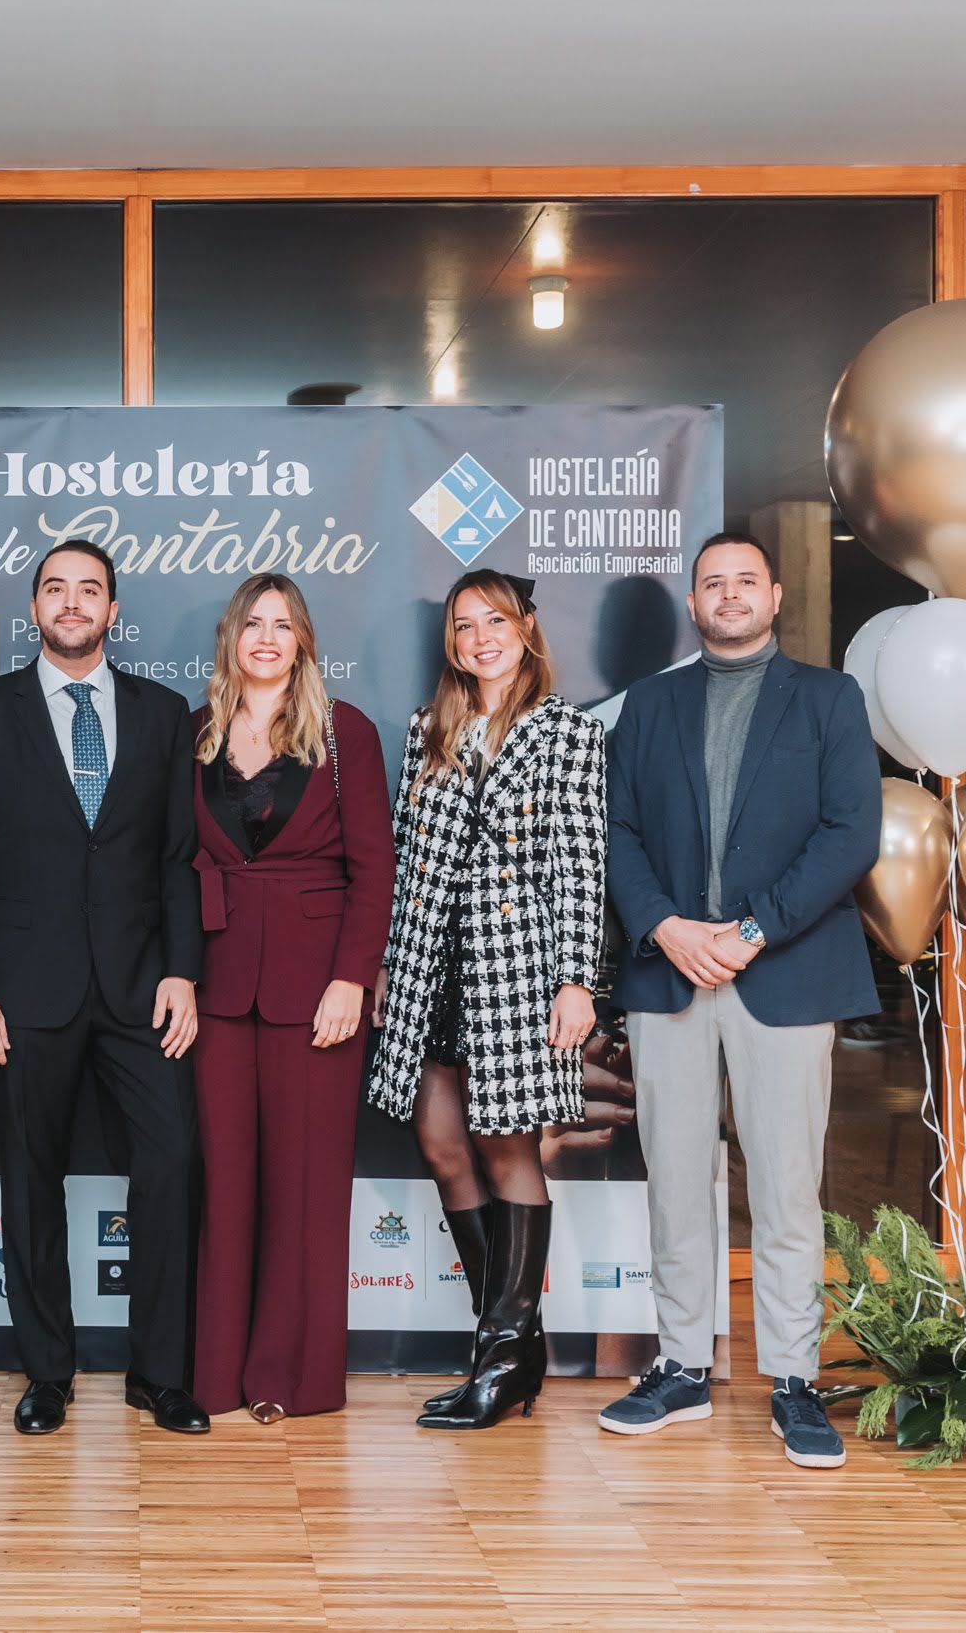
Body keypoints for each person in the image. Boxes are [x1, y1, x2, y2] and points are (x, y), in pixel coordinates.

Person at [600, 530, 881, 1470]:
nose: (728, 594)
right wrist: (667, 926)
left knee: (787, 1189)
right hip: (670, 973)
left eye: (744, 580)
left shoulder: (830, 699)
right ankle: (681, 1365)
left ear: (775, 595)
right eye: (711, 582)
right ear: (692, 603)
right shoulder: (651, 703)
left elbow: (851, 833)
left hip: (786, 975)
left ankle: (794, 1380)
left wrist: (752, 930)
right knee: (677, 1181)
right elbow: (617, 830)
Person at [0, 540, 208, 1437]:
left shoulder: (163, 713)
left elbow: (178, 857)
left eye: (89, 589)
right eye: (55, 587)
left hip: (140, 986)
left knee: (171, 1160)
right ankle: (46, 1372)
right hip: (22, 990)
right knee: (30, 1177)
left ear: (112, 611)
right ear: (34, 608)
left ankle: (159, 1375)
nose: (72, 601)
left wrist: (182, 970)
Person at [369, 568, 607, 1431]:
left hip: (515, 968)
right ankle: (509, 1346)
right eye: (465, 625)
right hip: (429, 961)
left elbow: (580, 863)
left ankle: (501, 1359)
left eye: (496, 621)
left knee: (507, 1146)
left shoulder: (568, 731)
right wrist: (387, 962)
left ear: (526, 628)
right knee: (441, 1142)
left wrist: (576, 977)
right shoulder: (426, 728)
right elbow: (402, 854)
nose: (481, 638)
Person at [187, 574, 393, 1423]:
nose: (267, 637)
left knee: (305, 1186)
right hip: (218, 983)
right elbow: (177, 860)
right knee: (225, 1180)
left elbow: (375, 868)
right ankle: (215, 1376)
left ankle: (289, 1377)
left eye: (283, 624)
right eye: (253, 623)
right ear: (232, 638)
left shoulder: (347, 732)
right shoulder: (195, 733)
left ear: (304, 639)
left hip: (319, 989)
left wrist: (353, 976)